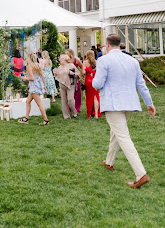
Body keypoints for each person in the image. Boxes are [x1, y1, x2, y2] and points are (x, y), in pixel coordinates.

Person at [92, 34, 156, 189]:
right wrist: (149, 103)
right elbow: (141, 84)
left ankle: (140, 174)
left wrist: (94, 80)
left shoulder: (103, 60)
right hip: (129, 103)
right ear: (119, 44)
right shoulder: (132, 61)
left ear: (107, 45)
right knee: (117, 133)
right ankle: (109, 161)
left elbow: (97, 83)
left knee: (123, 136)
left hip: (114, 103)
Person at [18, 53, 49, 125]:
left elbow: (32, 78)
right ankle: (26, 118)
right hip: (37, 85)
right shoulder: (37, 65)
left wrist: (24, 78)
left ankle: (46, 120)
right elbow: (42, 76)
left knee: (39, 103)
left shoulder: (29, 66)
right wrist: (44, 86)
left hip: (33, 86)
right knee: (28, 101)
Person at [53, 55, 79, 119]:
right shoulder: (59, 67)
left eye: (61, 59)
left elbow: (77, 74)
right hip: (62, 85)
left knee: (70, 99)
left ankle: (74, 112)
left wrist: (71, 73)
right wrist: (55, 73)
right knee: (64, 100)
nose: (60, 60)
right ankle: (66, 115)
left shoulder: (71, 65)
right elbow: (57, 76)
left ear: (65, 59)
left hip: (70, 84)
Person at [83, 50, 100, 119]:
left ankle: (89, 113)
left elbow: (84, 72)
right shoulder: (96, 62)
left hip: (88, 81)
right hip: (95, 80)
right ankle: (96, 114)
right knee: (96, 97)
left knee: (89, 98)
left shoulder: (85, 62)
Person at [66, 49, 83, 113]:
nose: (66, 54)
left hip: (75, 78)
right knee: (69, 93)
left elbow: (82, 67)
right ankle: (70, 107)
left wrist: (80, 76)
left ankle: (77, 107)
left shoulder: (76, 60)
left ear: (70, 53)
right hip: (68, 79)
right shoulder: (66, 60)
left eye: (67, 53)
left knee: (77, 93)